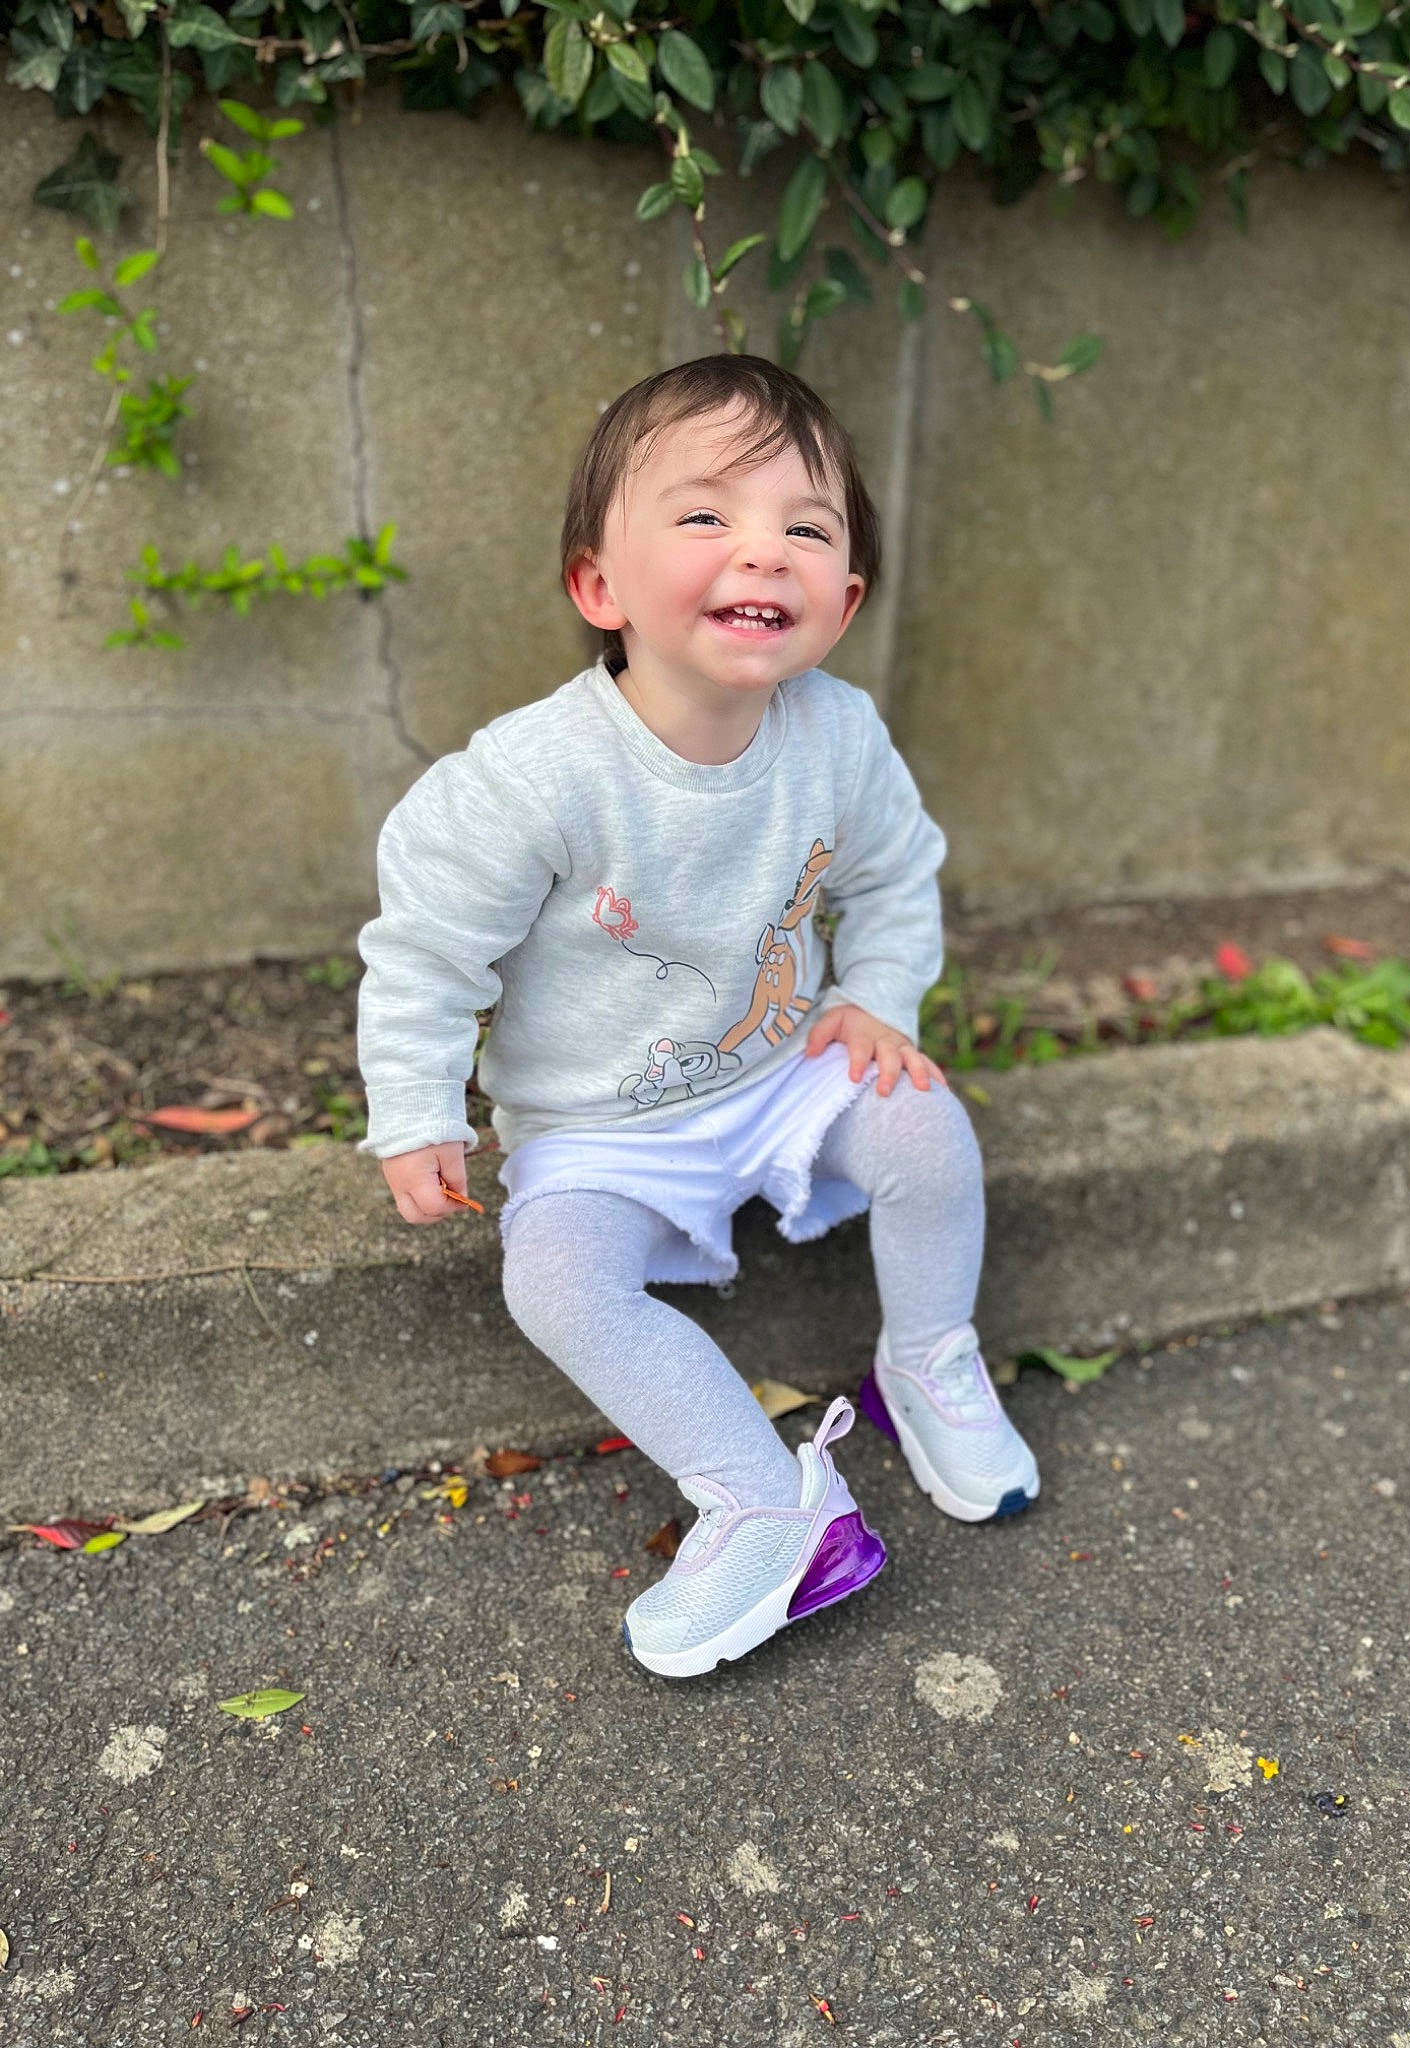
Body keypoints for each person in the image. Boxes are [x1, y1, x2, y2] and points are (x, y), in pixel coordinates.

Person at [354, 354, 1039, 1680]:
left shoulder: (838, 738)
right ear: (597, 585)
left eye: (806, 526)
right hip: (600, 1124)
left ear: (842, 603)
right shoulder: (531, 783)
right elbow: (428, 954)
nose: (762, 551)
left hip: (781, 1070)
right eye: (708, 515)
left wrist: (875, 1001)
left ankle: (927, 1357)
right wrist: (418, 1111)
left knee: (927, 1132)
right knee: (552, 1277)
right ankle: (769, 1505)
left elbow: (897, 876)